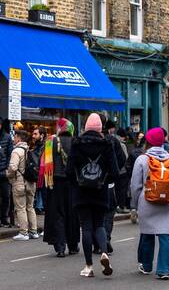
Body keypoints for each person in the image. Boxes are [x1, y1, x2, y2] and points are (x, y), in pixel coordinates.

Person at [68, 113, 118, 277]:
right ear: (100, 128)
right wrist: (103, 180)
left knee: (86, 227)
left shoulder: (76, 144)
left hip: (81, 191)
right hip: (100, 191)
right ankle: (104, 252)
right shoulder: (107, 144)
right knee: (99, 225)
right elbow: (115, 172)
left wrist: (77, 182)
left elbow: (69, 170)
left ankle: (89, 266)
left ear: (85, 127)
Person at [130, 127, 169, 280]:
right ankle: (164, 270)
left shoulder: (142, 159)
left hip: (147, 200)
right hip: (166, 202)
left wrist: (137, 202)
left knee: (147, 233)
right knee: (166, 236)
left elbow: (135, 185)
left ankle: (146, 265)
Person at [42, 118, 80, 257]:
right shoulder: (76, 142)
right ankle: (73, 245)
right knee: (72, 213)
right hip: (72, 182)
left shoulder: (50, 141)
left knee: (57, 214)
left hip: (54, 182)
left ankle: (60, 247)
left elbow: (45, 165)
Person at [8, 129, 38, 241]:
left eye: (15, 137)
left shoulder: (16, 151)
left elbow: (13, 167)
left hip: (19, 183)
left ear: (19, 138)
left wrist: (8, 175)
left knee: (20, 208)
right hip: (31, 183)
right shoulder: (29, 150)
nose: (14, 139)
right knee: (30, 207)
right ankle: (33, 231)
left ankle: (24, 232)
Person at [102, 119, 126, 253]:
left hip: (90, 185)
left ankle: (96, 242)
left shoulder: (83, 140)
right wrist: (113, 172)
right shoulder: (112, 140)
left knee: (95, 214)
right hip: (108, 183)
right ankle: (105, 238)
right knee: (108, 212)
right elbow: (122, 159)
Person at [0, 117, 13, 228]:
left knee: (6, 196)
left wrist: (7, 168)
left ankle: (4, 218)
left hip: (4, 171)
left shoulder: (7, 137)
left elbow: (10, 153)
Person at [32, 127, 47, 214]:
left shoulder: (44, 146)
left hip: (43, 175)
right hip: (39, 175)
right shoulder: (37, 146)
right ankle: (39, 206)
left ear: (42, 135)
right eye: (33, 134)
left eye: (35, 134)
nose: (33, 136)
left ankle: (40, 206)